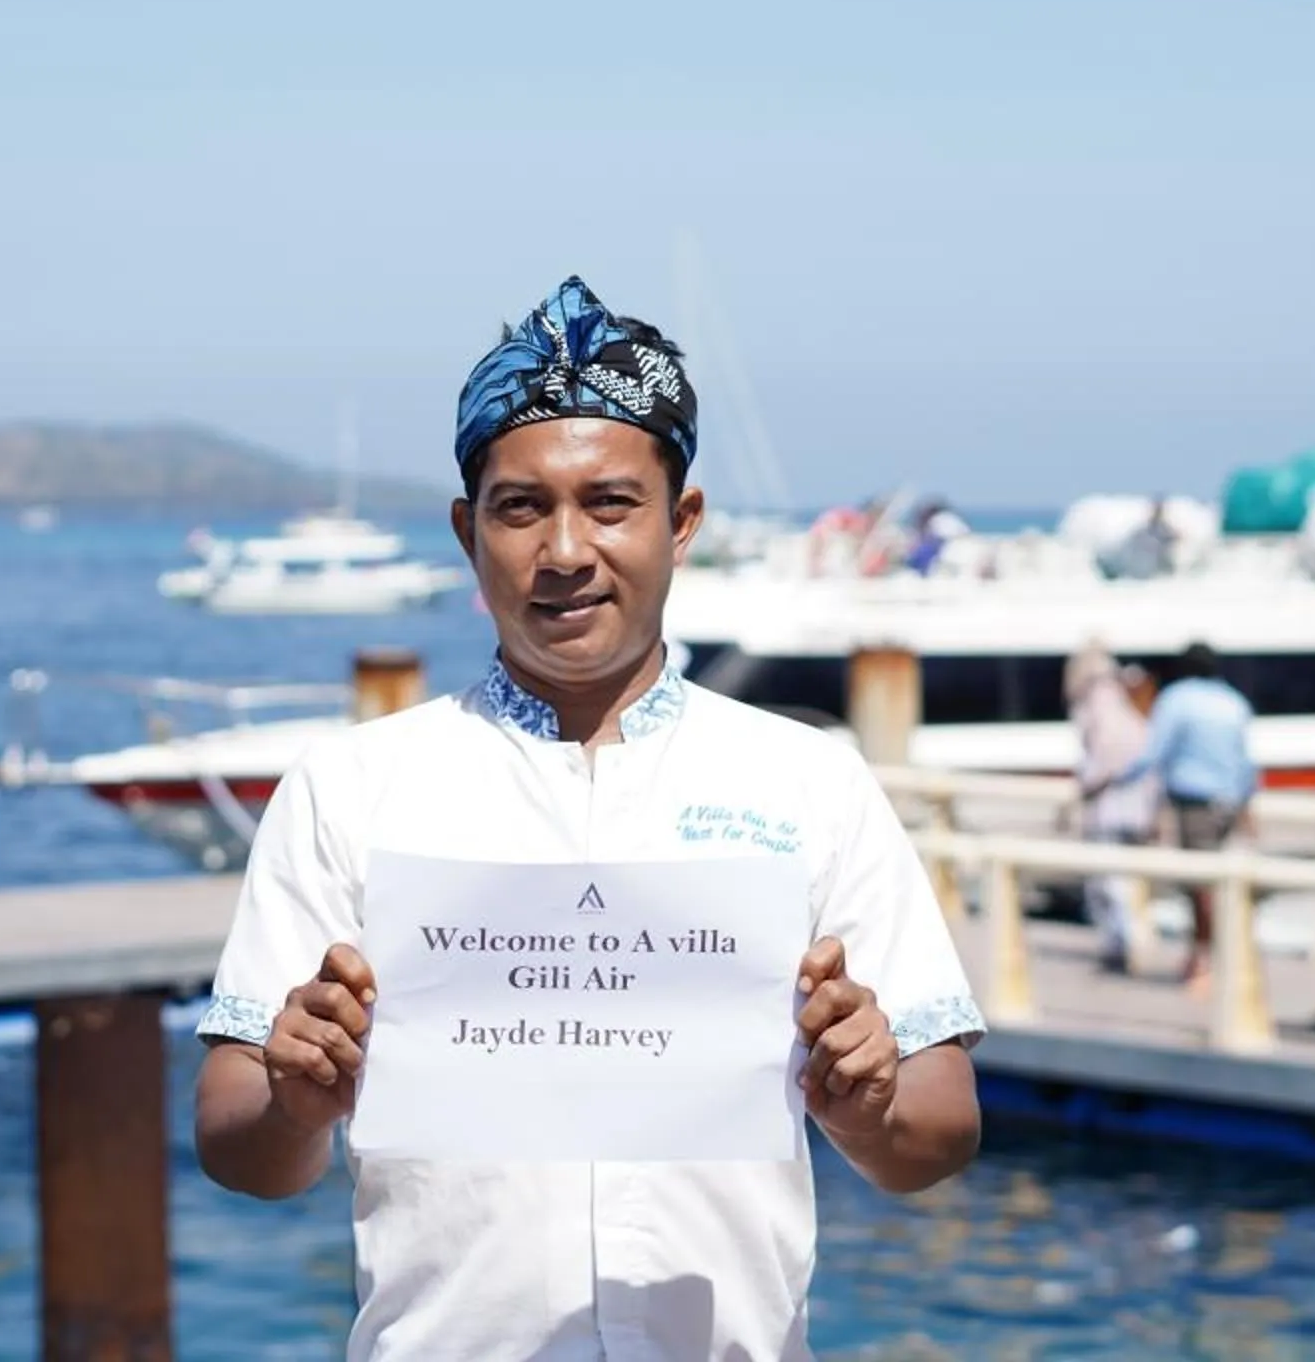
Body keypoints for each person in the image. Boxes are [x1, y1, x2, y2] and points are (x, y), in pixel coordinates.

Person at [193, 276, 982, 1361]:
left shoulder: (808, 783)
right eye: (521, 508)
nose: (566, 550)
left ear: (681, 522)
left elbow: (938, 1131)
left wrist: (865, 1106)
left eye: (611, 503)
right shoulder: (352, 786)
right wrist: (296, 1100)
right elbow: (238, 1143)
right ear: (469, 531)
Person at [1083, 644, 1256, 987]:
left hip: (1195, 803)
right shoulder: (1234, 702)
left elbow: (1154, 753)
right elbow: (1246, 763)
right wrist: (1247, 806)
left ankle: (1204, 960)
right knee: (1221, 881)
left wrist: (1116, 780)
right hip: (1230, 803)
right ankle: (1215, 954)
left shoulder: (1178, 699)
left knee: (1200, 884)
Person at [1067, 644, 1156, 970]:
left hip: (1110, 808)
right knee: (1123, 881)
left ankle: (1123, 943)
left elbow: (1105, 760)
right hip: (1135, 807)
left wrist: (1086, 789)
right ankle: (1125, 941)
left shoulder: (1099, 705)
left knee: (1110, 882)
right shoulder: (1126, 707)